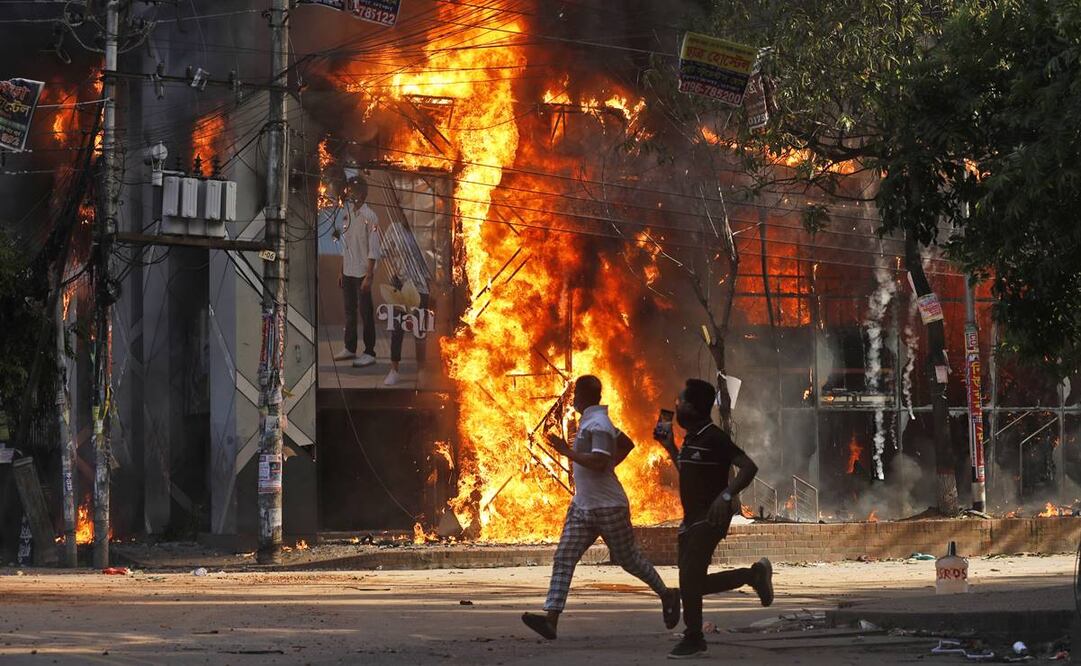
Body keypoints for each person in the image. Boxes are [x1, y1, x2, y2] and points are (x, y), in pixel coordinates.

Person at [522, 375, 681, 640]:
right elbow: (626, 444)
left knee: (629, 560)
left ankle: (667, 594)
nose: (572, 400)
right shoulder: (593, 420)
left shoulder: (598, 424)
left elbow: (596, 462)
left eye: (575, 395)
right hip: (583, 505)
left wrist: (566, 451)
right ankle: (551, 619)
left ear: (582, 396)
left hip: (609, 506)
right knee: (564, 557)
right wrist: (610, 464)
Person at [656, 378, 774, 660]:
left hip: (710, 518)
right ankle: (753, 575)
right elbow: (687, 471)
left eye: (681, 402)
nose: (677, 406)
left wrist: (725, 497)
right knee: (692, 584)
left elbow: (748, 466)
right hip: (691, 519)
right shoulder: (693, 439)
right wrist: (670, 447)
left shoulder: (714, 437)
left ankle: (694, 637)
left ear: (694, 408)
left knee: (689, 579)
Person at [331, 177, 382, 368]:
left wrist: (369, 275)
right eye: (349, 190)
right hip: (348, 271)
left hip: (362, 273)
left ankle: (370, 352)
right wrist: (340, 271)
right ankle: (350, 347)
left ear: (362, 193)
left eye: (353, 190)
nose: (349, 194)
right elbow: (346, 246)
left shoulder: (371, 216)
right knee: (349, 311)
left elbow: (374, 248)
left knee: (365, 313)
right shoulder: (347, 215)